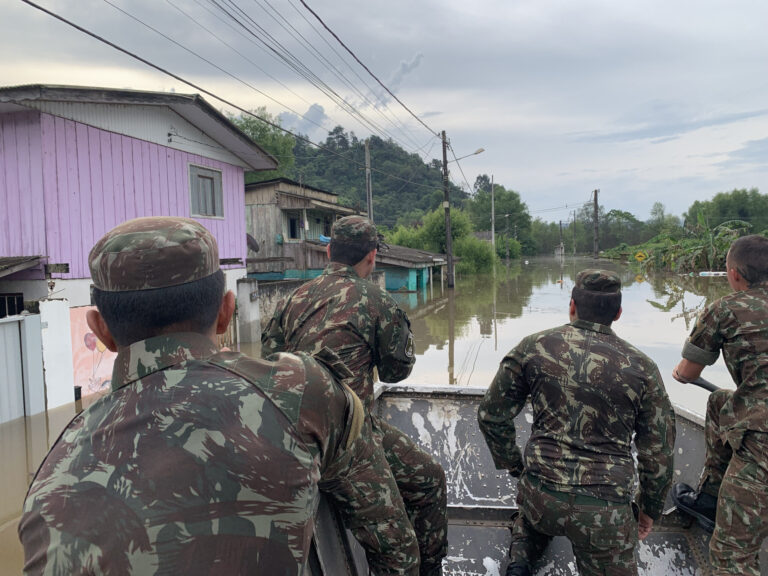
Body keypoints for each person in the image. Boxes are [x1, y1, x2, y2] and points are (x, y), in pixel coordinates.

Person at [18, 216, 419, 576]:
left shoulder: (50, 479)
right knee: (428, 481)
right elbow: (396, 548)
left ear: (100, 330)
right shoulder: (299, 390)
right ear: (227, 312)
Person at [262, 215, 448, 576]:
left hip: (303, 432)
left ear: (329, 251)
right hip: (344, 442)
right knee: (400, 556)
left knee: (428, 476)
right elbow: (397, 372)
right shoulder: (377, 300)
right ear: (373, 257)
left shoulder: (291, 299)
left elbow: (270, 363)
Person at [478, 269, 676, 576]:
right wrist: (649, 509)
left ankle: (519, 563)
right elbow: (659, 453)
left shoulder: (534, 346)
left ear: (572, 305)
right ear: (619, 313)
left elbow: (491, 414)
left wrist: (516, 466)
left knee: (531, 519)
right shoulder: (643, 368)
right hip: (605, 514)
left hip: (541, 498)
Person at [671, 234, 768, 576]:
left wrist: (681, 372)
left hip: (763, 443)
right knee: (721, 402)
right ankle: (711, 499)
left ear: (734, 274)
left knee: (730, 557)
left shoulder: (725, 309)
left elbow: (687, 372)